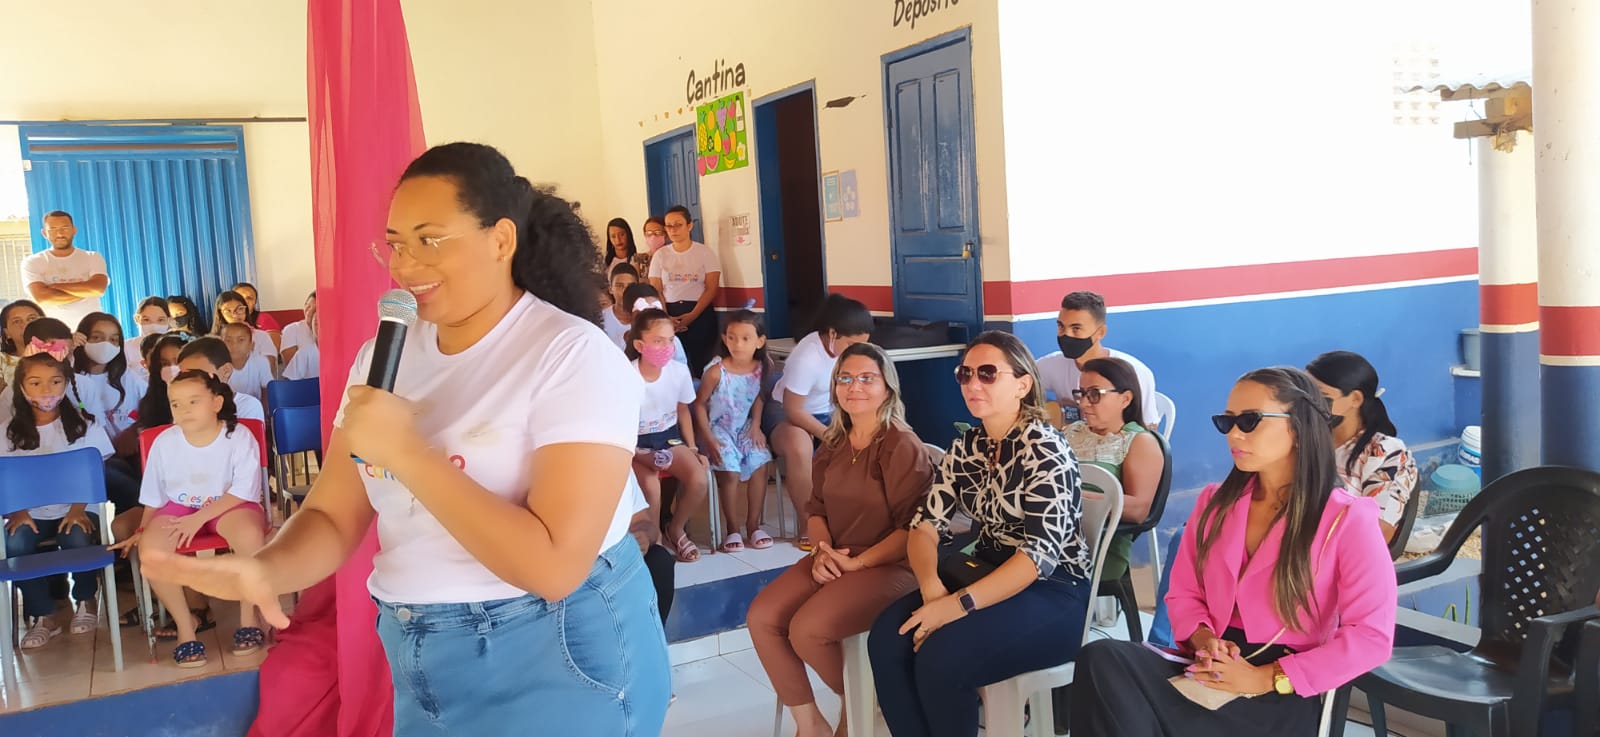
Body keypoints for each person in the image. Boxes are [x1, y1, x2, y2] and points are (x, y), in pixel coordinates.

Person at [141, 142, 671, 736]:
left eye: (429, 239)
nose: (404, 265)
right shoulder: (383, 357)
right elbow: (333, 515)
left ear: (500, 239)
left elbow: (553, 568)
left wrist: (408, 454)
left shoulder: (571, 355)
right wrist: (269, 569)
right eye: (394, 244)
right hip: (419, 648)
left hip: (555, 651)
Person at [1071, 367, 1398, 737]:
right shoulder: (1217, 503)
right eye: (1227, 422)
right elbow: (1184, 594)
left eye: (1250, 420)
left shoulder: (1346, 519)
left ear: (1298, 427)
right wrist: (1205, 642)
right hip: (1209, 667)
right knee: (1103, 659)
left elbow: (1371, 637)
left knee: (1133, 711)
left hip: (1279, 689)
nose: (1235, 434)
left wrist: (1264, 678)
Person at [868, 331, 1091, 737]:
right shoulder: (967, 446)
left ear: (1022, 385)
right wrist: (932, 588)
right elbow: (925, 526)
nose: (973, 383)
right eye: (965, 373)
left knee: (942, 659)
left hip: (1052, 591)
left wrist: (956, 606)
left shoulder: (1045, 449)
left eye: (988, 373)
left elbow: (1038, 558)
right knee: (887, 639)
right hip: (982, 570)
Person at [750, 342, 933, 737]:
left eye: (867, 378)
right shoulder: (835, 442)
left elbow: (915, 530)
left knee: (808, 630)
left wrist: (857, 563)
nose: (855, 387)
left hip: (892, 564)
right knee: (762, 617)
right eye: (845, 379)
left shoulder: (901, 445)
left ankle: (867, 703)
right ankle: (811, 724)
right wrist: (823, 552)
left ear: (887, 387)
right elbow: (816, 510)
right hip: (836, 556)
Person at [111, 370, 267, 666]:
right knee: (152, 552)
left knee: (249, 537)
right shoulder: (164, 441)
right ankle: (186, 628)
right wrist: (143, 531)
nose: (184, 410)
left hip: (229, 506)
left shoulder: (238, 436)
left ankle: (250, 618)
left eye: (194, 401)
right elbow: (154, 496)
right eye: (176, 403)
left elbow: (243, 491)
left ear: (216, 403)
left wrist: (199, 519)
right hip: (179, 508)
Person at [2, 353, 115, 649]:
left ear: (66, 384)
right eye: (35, 383)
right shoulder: (7, 432)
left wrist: (78, 508)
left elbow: (93, 472)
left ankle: (86, 599)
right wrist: (17, 511)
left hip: (78, 507)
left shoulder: (85, 426)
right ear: (22, 387)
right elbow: (6, 478)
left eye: (55, 382)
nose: (46, 390)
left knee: (76, 535)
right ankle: (44, 615)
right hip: (30, 512)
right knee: (15, 544)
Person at [767, 293, 874, 549]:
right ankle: (809, 524)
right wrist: (830, 435)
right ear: (833, 334)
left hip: (828, 413)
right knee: (800, 445)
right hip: (786, 413)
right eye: (852, 344)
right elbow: (793, 410)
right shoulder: (807, 357)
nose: (857, 352)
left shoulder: (849, 352)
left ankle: (857, 521)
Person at [1064, 357, 1165, 582]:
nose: (1083, 403)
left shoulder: (1139, 442)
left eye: (1095, 394)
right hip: (1053, 534)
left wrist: (1069, 498)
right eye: (1081, 394)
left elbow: (1139, 509)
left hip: (1098, 547)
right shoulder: (1072, 431)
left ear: (1125, 399)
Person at [1306, 350, 1419, 544]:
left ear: (1355, 399)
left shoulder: (1383, 453)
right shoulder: (1301, 440)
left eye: (1322, 397)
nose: (1309, 405)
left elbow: (1378, 533)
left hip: (1335, 556)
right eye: (1304, 396)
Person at [630, 307, 711, 563]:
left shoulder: (678, 371)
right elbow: (620, 423)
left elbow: (683, 410)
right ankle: (654, 543)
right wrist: (639, 455)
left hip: (668, 437)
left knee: (698, 479)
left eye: (670, 340)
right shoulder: (627, 375)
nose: (666, 347)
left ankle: (675, 529)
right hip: (636, 443)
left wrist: (692, 448)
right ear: (640, 345)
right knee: (651, 488)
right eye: (658, 341)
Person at [693, 310, 774, 552]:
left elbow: (759, 397)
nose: (738, 344)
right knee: (730, 471)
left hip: (744, 426)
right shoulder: (716, 371)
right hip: (717, 429)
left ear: (760, 341)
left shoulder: (762, 366)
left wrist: (756, 426)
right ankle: (732, 529)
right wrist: (708, 438)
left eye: (746, 338)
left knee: (760, 462)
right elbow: (699, 404)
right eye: (732, 337)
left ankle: (753, 525)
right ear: (724, 338)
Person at [1037, 290, 1159, 427]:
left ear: (1100, 332)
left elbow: (1149, 427)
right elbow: (1022, 384)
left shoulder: (1135, 372)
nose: (1066, 335)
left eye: (1076, 328)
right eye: (1061, 326)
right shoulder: (1052, 365)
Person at [71, 313, 146, 511]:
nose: (106, 344)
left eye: (113, 339)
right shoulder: (70, 378)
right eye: (97, 337)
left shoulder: (127, 376)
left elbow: (152, 407)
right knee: (125, 485)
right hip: (92, 458)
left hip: (129, 451)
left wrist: (134, 431)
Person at [648, 205, 721, 378]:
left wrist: (692, 316)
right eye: (669, 226)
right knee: (672, 365)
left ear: (689, 226)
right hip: (669, 314)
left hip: (700, 314)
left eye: (678, 225)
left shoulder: (704, 252)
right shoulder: (660, 255)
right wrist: (667, 317)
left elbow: (711, 288)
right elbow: (656, 289)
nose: (673, 230)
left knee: (702, 365)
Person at [21, 210, 109, 329]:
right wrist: (86, 291)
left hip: (91, 329)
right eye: (53, 229)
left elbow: (98, 288)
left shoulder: (92, 257)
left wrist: (56, 287)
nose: (60, 233)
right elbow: (42, 298)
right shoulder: (33, 262)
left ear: (74, 230)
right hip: (53, 332)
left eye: (65, 228)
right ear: (44, 233)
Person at [212, 290, 278, 375]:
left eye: (240, 309)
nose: (235, 315)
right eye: (228, 311)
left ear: (245, 310)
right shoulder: (213, 341)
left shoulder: (261, 336)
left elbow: (270, 368)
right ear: (220, 313)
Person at [619, 281, 688, 363]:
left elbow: (682, 367)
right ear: (627, 315)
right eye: (643, 314)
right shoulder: (617, 344)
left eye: (656, 312)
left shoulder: (673, 342)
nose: (652, 319)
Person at [220, 322, 273, 404]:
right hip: (226, 408)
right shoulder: (217, 364)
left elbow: (266, 390)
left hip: (254, 407)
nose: (234, 345)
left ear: (251, 345)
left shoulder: (260, 362)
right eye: (228, 340)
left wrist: (263, 410)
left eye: (241, 340)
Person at [0, 299, 44, 392]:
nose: (26, 325)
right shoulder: (1, 361)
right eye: (16, 321)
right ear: (7, 333)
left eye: (32, 319)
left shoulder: (62, 352)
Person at [125, 297, 174, 378]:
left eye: (160, 320)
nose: (153, 326)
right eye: (146, 320)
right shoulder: (126, 348)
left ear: (169, 320)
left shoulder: (177, 346)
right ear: (137, 319)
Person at [281, 300, 320, 382]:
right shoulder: (304, 353)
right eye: (315, 324)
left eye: (322, 322)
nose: (318, 328)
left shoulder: (341, 351)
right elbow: (289, 382)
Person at [602, 263, 640, 347]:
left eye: (630, 286)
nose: (625, 291)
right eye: (619, 286)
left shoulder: (647, 319)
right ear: (611, 289)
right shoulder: (601, 319)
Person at [278, 291, 317, 368]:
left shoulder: (331, 331)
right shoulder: (291, 330)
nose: (310, 311)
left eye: (315, 309)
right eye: (308, 306)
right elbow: (291, 366)